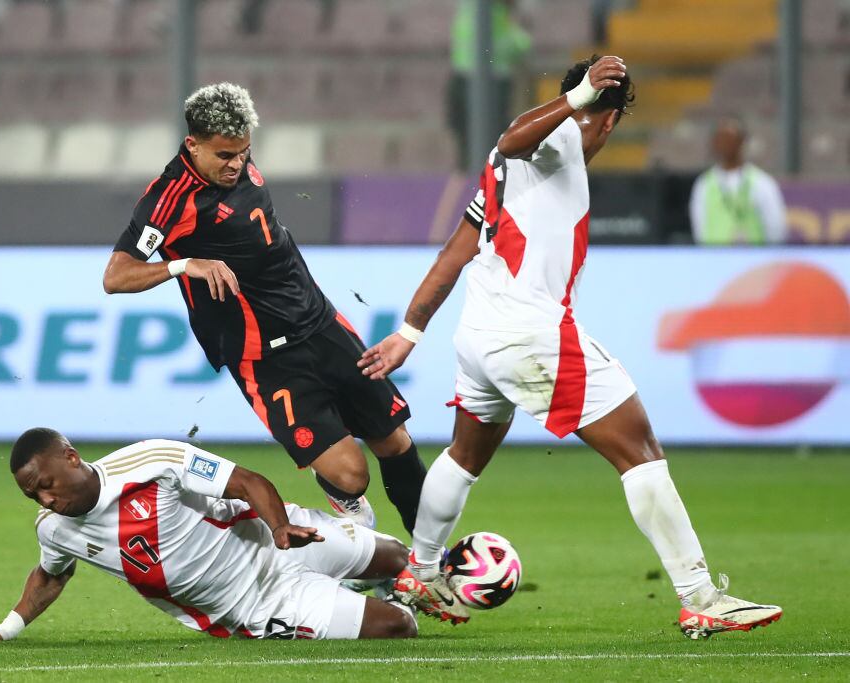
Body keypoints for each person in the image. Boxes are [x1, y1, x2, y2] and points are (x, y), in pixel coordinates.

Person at [358, 56, 783, 640]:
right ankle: (701, 596)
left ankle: (423, 572)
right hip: (530, 335)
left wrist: (410, 331)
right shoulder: (554, 139)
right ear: (608, 123)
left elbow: (455, 252)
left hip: (479, 337)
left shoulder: (507, 173)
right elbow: (512, 137)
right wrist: (581, 96)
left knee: (465, 454)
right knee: (640, 450)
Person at [102, 83, 427, 537]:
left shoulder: (233, 159)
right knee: (353, 475)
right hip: (265, 355)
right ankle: (349, 510)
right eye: (224, 155)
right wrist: (181, 265)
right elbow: (115, 276)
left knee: (395, 441)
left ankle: (433, 564)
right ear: (192, 144)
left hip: (321, 322)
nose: (236, 164)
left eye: (244, 152)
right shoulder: (167, 201)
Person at [0, 428, 416, 642]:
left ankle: (357, 578)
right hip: (256, 607)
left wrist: (279, 527)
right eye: (34, 497)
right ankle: (355, 591)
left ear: (71, 458)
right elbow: (50, 577)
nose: (46, 502)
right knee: (399, 625)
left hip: (275, 539)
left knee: (400, 557)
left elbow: (247, 482)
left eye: (46, 486)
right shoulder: (55, 530)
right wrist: (6, 628)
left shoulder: (151, 460)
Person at [447, 0, 532, 170]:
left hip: (466, 76)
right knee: (488, 138)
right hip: (491, 81)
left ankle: (472, 173)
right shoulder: (494, 14)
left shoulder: (473, 9)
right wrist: (523, 39)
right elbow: (516, 47)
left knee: (470, 140)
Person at [688, 117, 787, 245]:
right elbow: (699, 227)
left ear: (741, 142)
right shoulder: (704, 184)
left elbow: (775, 227)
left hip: (755, 260)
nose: (725, 144)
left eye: (730, 139)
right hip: (714, 260)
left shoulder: (762, 182)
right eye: (720, 139)